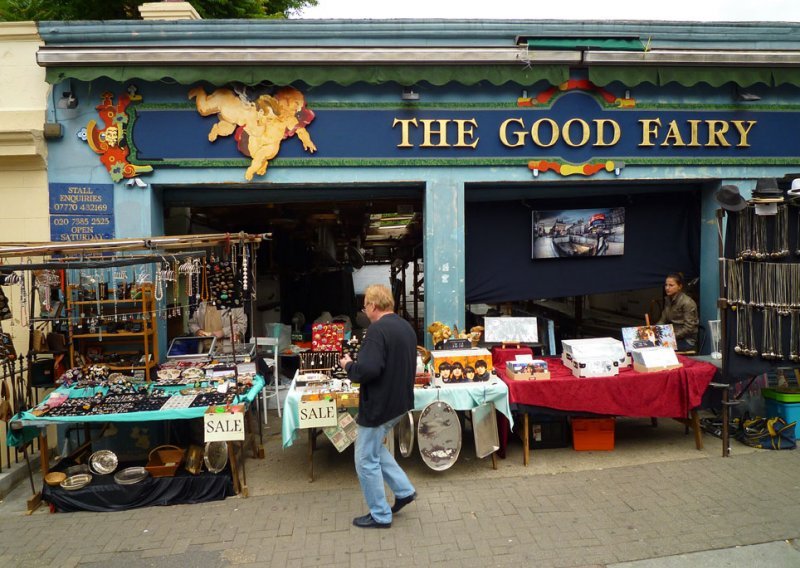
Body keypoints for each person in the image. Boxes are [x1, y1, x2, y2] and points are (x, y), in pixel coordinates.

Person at [338, 284, 417, 529]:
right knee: (374, 451)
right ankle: (404, 491)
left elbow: (369, 370)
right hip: (399, 402)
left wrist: (349, 366)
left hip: (379, 406)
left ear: (372, 305)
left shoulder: (376, 331)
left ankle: (381, 514)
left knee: (364, 459)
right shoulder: (405, 326)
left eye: (365, 307)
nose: (365, 311)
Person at [656, 273, 699, 351]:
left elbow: (689, 327)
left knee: (658, 348)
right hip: (673, 337)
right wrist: (654, 331)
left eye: (671, 285)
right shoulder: (668, 300)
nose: (667, 288)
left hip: (686, 340)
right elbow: (663, 319)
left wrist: (670, 336)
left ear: (679, 286)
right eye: (666, 285)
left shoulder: (687, 302)